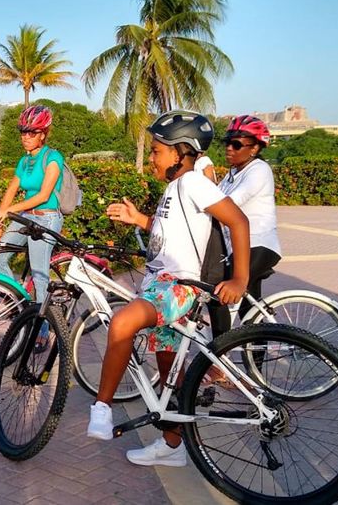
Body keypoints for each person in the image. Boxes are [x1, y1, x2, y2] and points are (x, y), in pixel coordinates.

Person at [87, 110, 250, 467]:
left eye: (156, 151)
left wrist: (240, 279)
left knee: (122, 323)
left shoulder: (192, 182)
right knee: (168, 370)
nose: (151, 158)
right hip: (161, 285)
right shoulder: (174, 189)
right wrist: (138, 220)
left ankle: (102, 407)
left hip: (176, 288)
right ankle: (173, 445)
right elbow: (169, 236)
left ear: (180, 152)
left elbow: (238, 220)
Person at [0, 105, 65, 350]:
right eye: (23, 132)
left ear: (43, 134)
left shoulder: (53, 158)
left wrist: (9, 211)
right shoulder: (24, 160)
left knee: (40, 275)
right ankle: (23, 305)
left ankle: (41, 330)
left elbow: (43, 195)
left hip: (46, 218)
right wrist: (0, 218)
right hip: (25, 217)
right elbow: (12, 188)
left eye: (32, 132)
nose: (26, 137)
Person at [208, 115, 282, 336]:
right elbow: (212, 198)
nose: (229, 148)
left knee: (219, 295)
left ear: (255, 148)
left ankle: (218, 352)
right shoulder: (233, 173)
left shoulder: (259, 170)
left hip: (260, 245)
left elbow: (230, 203)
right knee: (250, 313)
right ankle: (256, 358)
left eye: (237, 144)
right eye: (227, 143)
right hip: (240, 248)